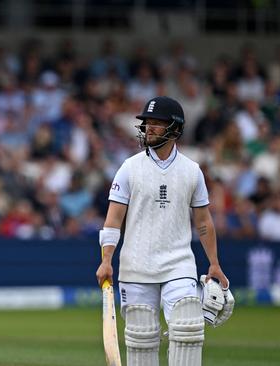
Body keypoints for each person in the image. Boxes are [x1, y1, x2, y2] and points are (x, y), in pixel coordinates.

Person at [95, 96, 233, 366]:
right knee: (141, 339)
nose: (149, 129)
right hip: (136, 265)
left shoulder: (192, 171)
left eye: (157, 124)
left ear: (175, 129)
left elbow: (203, 221)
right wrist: (106, 259)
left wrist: (214, 263)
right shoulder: (129, 168)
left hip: (178, 263)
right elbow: (113, 219)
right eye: (147, 124)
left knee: (188, 330)